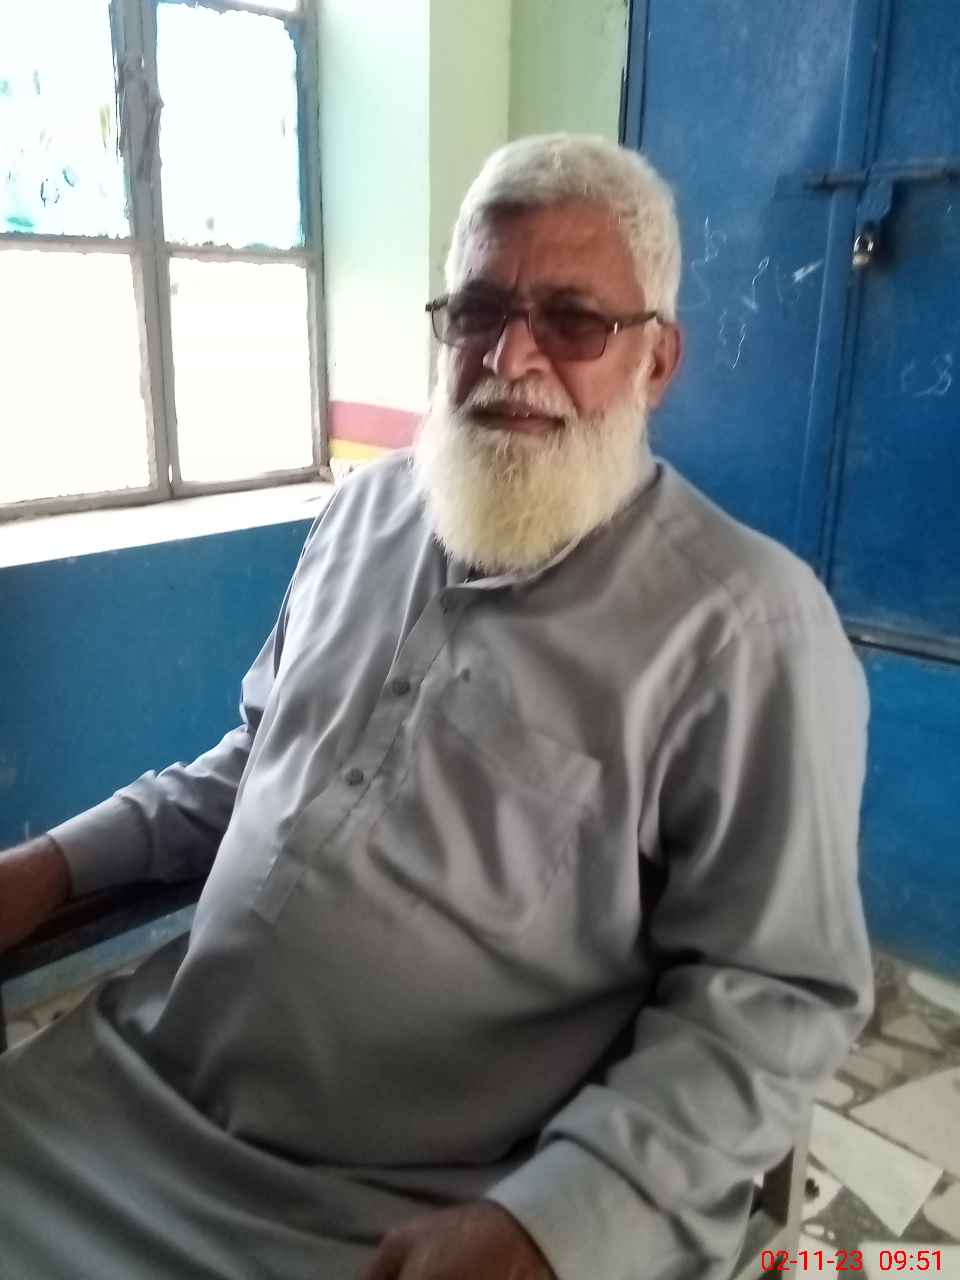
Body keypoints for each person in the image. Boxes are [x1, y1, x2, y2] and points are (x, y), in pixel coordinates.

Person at [0, 134, 873, 1280]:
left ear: (657, 361)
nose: (511, 356)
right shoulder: (361, 515)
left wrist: (552, 1223)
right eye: (477, 311)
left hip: (410, 1206)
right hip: (132, 1096)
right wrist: (51, 865)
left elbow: (774, 990)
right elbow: (259, 764)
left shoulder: (748, 628)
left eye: (573, 320)